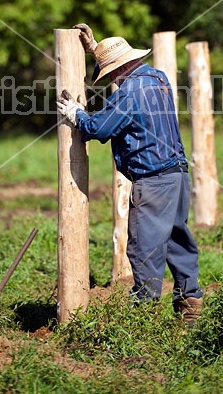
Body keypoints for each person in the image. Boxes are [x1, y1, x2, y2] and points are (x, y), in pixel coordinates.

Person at [56, 24, 203, 326]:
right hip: (178, 178)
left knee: (144, 250)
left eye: (109, 73)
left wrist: (76, 114)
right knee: (178, 242)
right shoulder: (157, 78)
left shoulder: (130, 92)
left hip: (153, 183)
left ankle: (143, 322)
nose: (109, 79)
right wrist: (96, 50)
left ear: (118, 69)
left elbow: (100, 128)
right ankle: (190, 310)